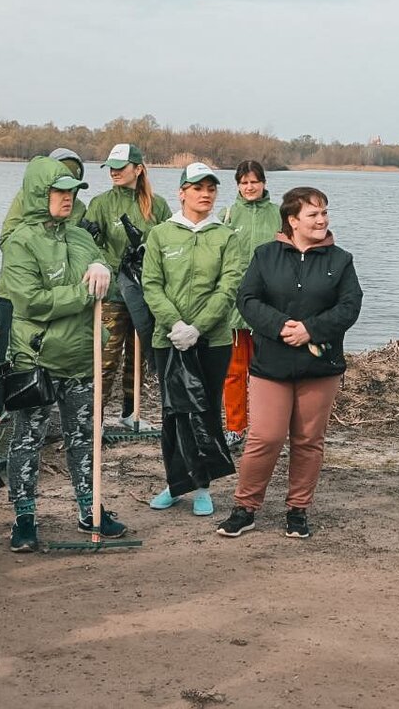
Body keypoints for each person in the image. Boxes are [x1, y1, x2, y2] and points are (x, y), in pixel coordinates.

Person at [215, 187, 363, 540]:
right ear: (292, 220)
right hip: (271, 364)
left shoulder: (341, 260)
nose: (322, 219)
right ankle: (245, 508)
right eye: (313, 214)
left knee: (309, 440)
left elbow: (350, 306)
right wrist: (281, 326)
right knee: (264, 437)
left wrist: (311, 330)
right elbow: (247, 299)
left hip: (320, 367)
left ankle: (297, 511)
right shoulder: (265, 256)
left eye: (325, 212)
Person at [0, 156, 126, 552]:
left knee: (84, 438)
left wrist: (103, 266)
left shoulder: (80, 236)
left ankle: (91, 510)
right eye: (60, 190)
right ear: (39, 192)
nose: (68, 197)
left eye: (72, 190)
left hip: (82, 358)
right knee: (27, 441)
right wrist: (86, 293)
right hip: (37, 361)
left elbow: (100, 265)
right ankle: (24, 519)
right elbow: (32, 302)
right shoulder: (21, 241)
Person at [142, 163, 244, 516]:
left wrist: (198, 327)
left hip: (211, 341)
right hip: (167, 338)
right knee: (173, 413)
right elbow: (151, 285)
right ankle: (175, 484)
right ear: (181, 192)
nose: (205, 194)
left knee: (205, 411)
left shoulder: (226, 236)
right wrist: (175, 324)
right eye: (197, 187)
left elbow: (229, 287)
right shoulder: (161, 235)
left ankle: (202, 486)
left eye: (211, 188)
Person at [0, 148, 88, 421]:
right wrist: (41, 253)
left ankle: (39, 401)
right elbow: (7, 239)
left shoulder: (78, 207)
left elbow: (71, 245)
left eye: (73, 177)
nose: (68, 185)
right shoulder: (25, 200)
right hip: (13, 288)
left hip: (54, 289)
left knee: (44, 350)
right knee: (7, 350)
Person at [85, 143, 171, 430]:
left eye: (121, 167)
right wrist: (90, 237)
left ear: (138, 169)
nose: (114, 172)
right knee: (107, 357)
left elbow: (168, 246)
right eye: (111, 167)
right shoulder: (100, 203)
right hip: (112, 292)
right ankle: (93, 418)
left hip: (146, 292)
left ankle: (130, 413)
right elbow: (87, 249)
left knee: (138, 357)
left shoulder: (156, 205)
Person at [218, 160, 280, 451]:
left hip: (269, 306)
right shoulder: (227, 215)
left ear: (264, 183)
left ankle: (266, 426)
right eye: (244, 183)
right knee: (234, 370)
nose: (249, 187)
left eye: (254, 181)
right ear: (238, 185)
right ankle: (234, 427)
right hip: (234, 307)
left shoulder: (279, 215)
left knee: (267, 370)